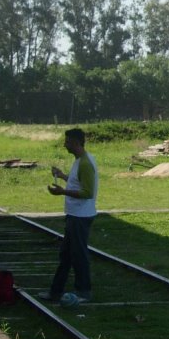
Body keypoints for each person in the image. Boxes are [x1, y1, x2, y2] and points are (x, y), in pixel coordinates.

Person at [41, 128, 98, 303]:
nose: (65, 144)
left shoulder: (86, 164)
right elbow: (77, 183)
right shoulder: (79, 161)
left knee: (79, 254)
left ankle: (84, 291)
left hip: (81, 216)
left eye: (67, 141)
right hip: (74, 215)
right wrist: (62, 175)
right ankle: (56, 291)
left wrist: (62, 192)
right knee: (66, 254)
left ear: (75, 142)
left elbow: (87, 192)